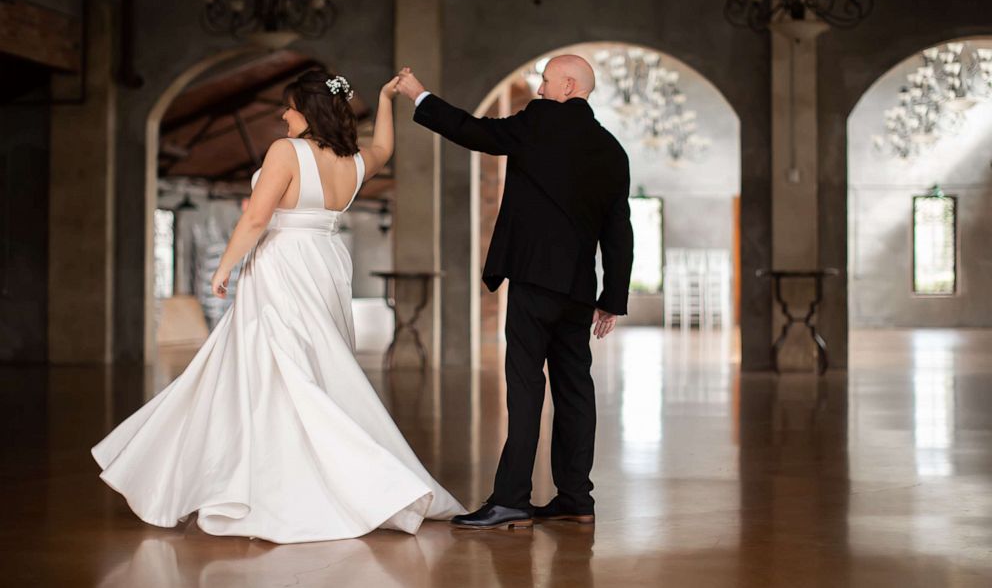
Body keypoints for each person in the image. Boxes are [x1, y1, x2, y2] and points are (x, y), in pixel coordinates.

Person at [92, 69, 465, 543]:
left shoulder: (286, 152)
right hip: (327, 263)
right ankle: (319, 477)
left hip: (283, 262)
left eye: (289, 106)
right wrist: (385, 100)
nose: (282, 114)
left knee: (279, 369)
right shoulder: (353, 161)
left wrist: (225, 266)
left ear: (307, 111)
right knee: (311, 367)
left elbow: (256, 217)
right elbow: (386, 149)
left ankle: (278, 484)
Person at [394, 55, 634, 530]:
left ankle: (512, 501)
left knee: (525, 390)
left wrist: (418, 94)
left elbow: (475, 132)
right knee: (575, 390)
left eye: (545, 81)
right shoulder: (611, 149)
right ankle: (575, 498)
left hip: (534, 283)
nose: (539, 88)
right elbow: (619, 230)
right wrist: (612, 297)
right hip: (579, 291)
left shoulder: (540, 122)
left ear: (568, 86)